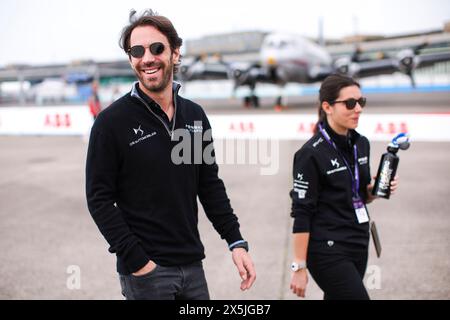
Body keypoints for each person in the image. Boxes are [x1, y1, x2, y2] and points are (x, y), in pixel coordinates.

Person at [85, 9, 256, 300]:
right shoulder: (112, 122)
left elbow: (208, 184)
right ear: (130, 59)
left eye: (157, 48)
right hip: (146, 273)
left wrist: (235, 240)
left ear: (175, 53)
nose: (147, 58)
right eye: (136, 51)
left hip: (192, 266)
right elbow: (99, 198)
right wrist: (138, 261)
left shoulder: (193, 115)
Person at [289, 74, 398, 300]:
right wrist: (299, 267)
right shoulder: (310, 154)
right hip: (327, 248)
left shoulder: (361, 143)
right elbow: (301, 213)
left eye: (361, 102)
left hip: (358, 241)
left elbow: (359, 195)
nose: (358, 109)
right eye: (350, 103)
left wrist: (374, 189)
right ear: (327, 107)